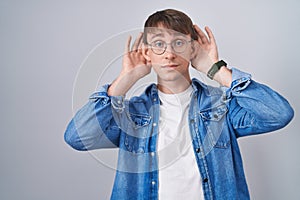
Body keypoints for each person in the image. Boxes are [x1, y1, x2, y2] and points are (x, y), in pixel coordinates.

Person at [64, 9, 294, 200]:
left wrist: (215, 70)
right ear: (147, 52)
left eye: (179, 43)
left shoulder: (221, 108)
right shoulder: (131, 115)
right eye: (158, 44)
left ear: (193, 49)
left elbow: (279, 114)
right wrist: (125, 80)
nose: (169, 54)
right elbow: (77, 137)